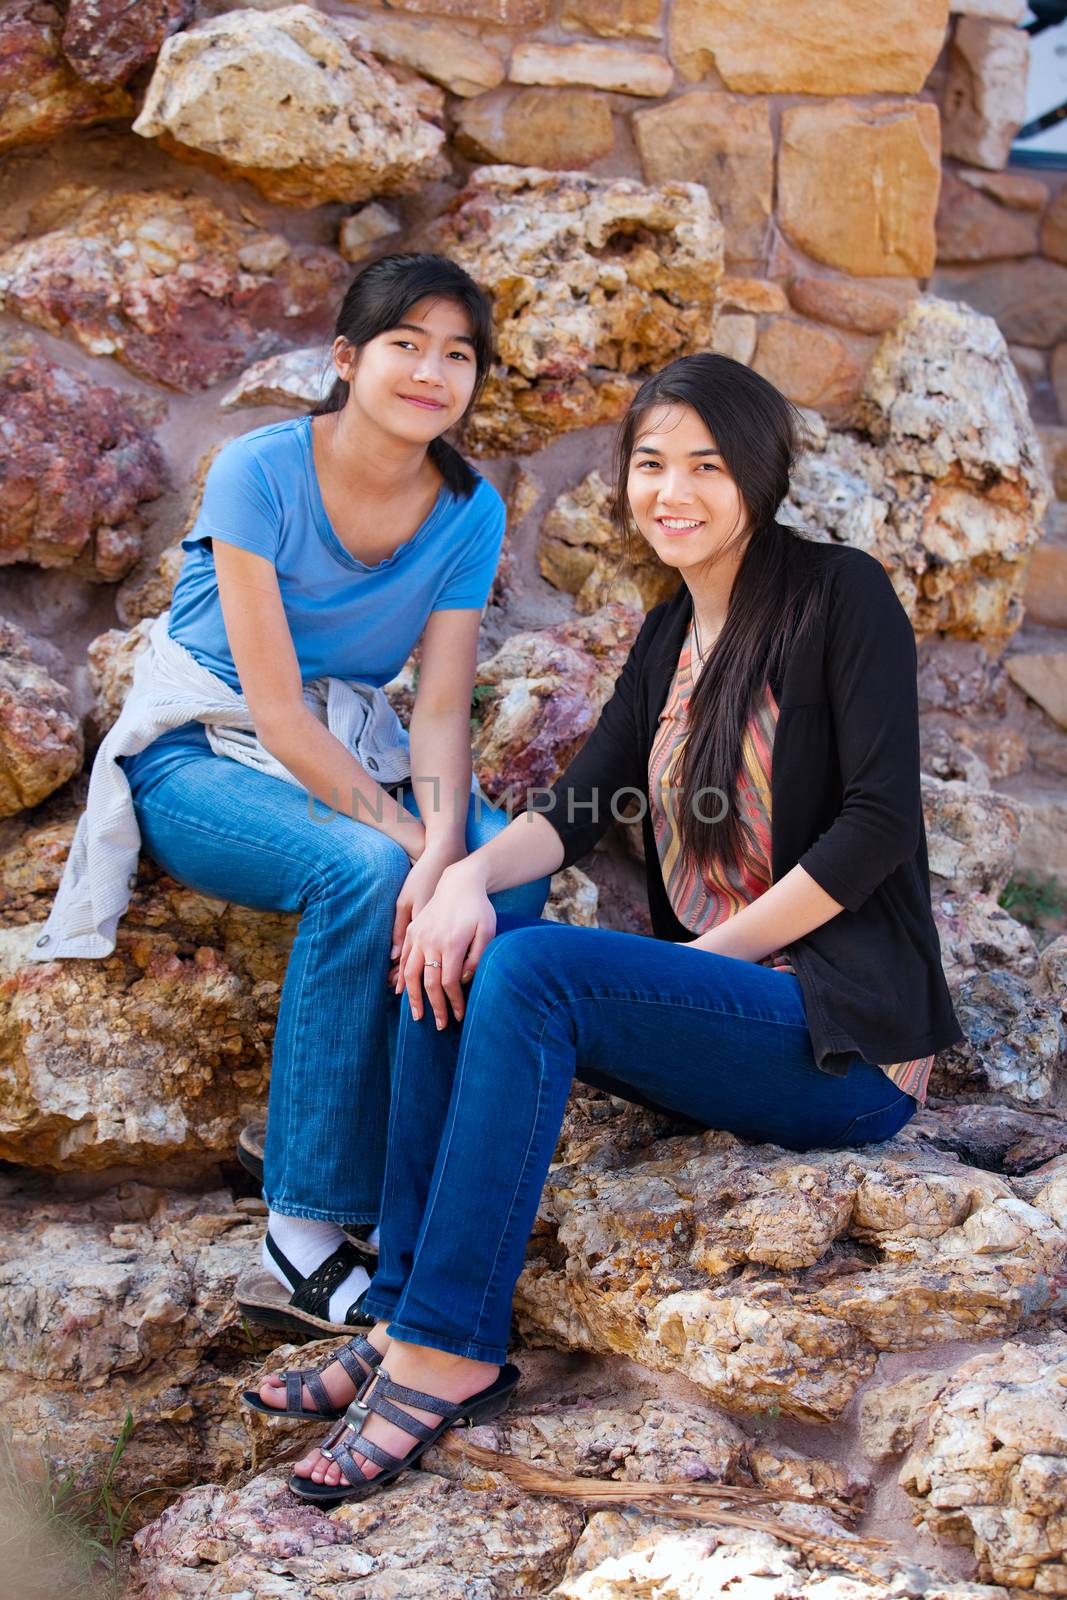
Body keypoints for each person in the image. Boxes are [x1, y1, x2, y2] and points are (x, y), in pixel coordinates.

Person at [246, 352, 962, 1506]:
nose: (669, 491)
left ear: (759, 476)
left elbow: (875, 823)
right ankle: (399, 1321)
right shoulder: (671, 629)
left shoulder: (840, 596)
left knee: (534, 971)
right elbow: (578, 809)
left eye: (704, 466)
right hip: (729, 1022)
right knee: (462, 933)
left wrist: (687, 971)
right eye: (647, 464)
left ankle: (448, 1347)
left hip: (841, 1042)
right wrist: (463, 876)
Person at [114, 252, 550, 1339]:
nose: (431, 370)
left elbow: (441, 708)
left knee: (507, 871)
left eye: (458, 354)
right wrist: (407, 840)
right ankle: (300, 1232)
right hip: (203, 754)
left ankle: (420, 1206)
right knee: (365, 866)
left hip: (364, 745)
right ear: (347, 359)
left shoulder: (467, 507)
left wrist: (448, 846)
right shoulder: (256, 472)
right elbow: (274, 711)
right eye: (406, 343)